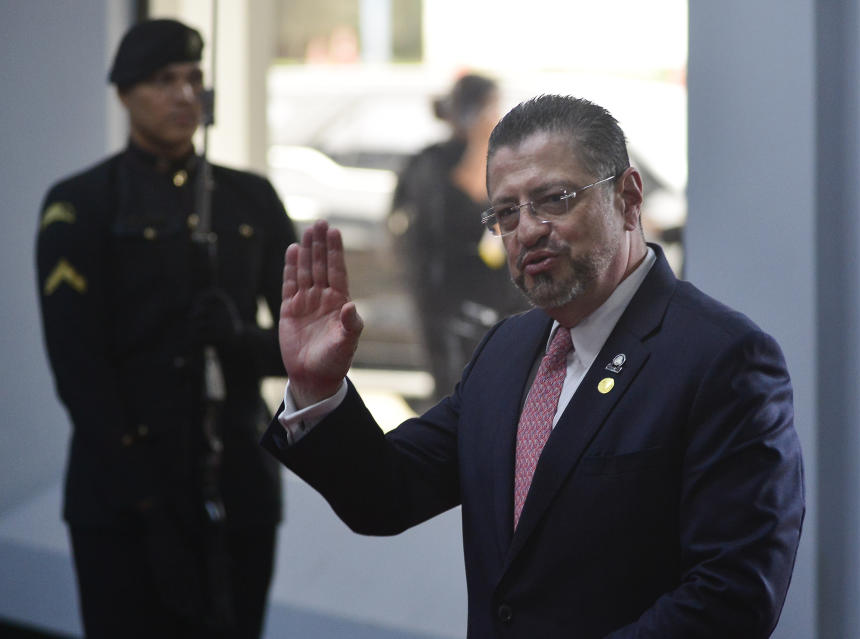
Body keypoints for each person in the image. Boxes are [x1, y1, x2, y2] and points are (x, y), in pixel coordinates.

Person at [263, 95, 804, 637]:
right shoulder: (508, 350)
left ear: (629, 197)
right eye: (505, 212)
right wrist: (317, 387)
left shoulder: (722, 358)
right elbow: (386, 495)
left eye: (555, 199)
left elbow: (731, 598)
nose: (527, 230)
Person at [35, 19, 295, 638]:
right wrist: (147, 504)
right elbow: (78, 368)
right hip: (123, 492)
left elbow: (302, 345)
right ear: (124, 93)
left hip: (235, 481)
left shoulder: (248, 198)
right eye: (162, 81)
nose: (184, 95)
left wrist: (240, 339)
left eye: (193, 78)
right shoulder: (82, 203)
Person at [388, 73, 528, 401]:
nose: (498, 117)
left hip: (499, 297)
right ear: (474, 111)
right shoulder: (433, 163)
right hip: (448, 297)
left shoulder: (501, 158)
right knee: (457, 390)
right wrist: (482, 145)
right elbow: (455, 213)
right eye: (493, 107)